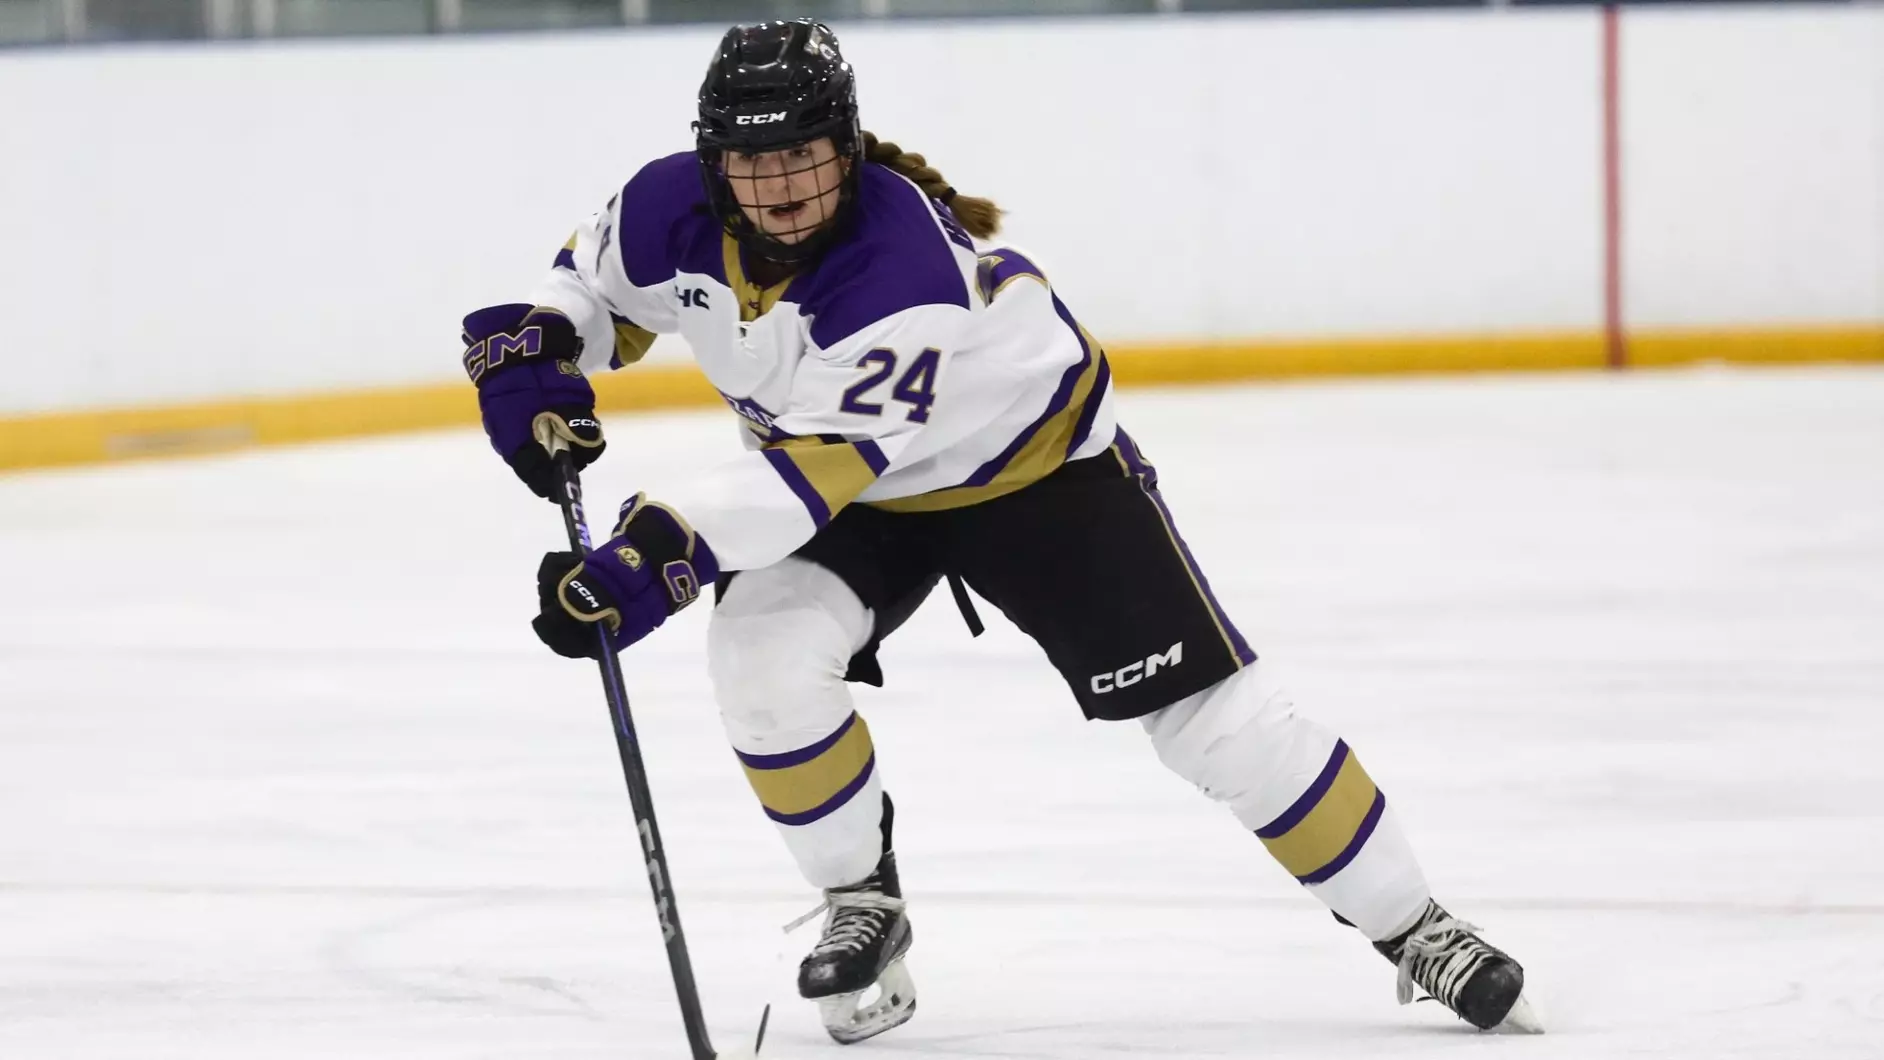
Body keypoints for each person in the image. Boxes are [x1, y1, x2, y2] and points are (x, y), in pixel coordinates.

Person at [459, 18, 1541, 1046]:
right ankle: (860, 901)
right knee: (761, 659)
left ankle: (1414, 922)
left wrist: (649, 557)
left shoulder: (902, 277)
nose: (781, 186)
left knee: (1216, 723)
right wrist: (542, 350)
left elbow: (803, 483)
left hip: (1032, 476)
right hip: (859, 490)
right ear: (711, 168)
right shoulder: (665, 206)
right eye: (753, 163)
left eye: (805, 154)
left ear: (846, 146)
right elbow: (591, 286)